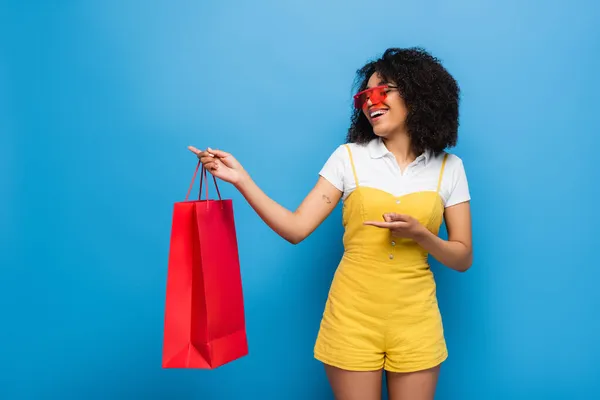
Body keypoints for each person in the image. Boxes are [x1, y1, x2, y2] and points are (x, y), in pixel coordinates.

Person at [188, 47, 472, 400]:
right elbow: (295, 229)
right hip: (351, 319)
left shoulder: (449, 168)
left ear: (418, 96)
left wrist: (421, 235)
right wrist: (241, 179)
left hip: (417, 322)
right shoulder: (348, 157)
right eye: (364, 95)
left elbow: (462, 257)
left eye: (383, 90)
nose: (371, 101)